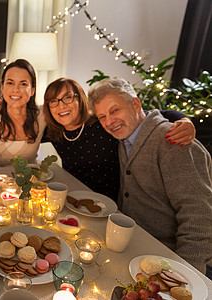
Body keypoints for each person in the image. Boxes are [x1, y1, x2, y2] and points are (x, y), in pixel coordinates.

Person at [89, 77, 212, 273]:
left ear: (135, 104)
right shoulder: (124, 138)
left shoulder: (173, 141)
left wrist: (187, 275)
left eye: (115, 110)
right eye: (102, 116)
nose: (109, 121)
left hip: (168, 258)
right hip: (135, 247)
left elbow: (198, 215)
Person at [42, 77, 194, 200]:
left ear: (80, 99)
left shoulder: (102, 123)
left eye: (67, 98)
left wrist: (184, 120)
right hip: (74, 200)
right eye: (53, 101)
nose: (60, 106)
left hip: (111, 206)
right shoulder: (52, 132)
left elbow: (145, 115)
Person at [0, 59, 45, 166]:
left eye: (23, 84)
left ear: (32, 90)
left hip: (32, 181)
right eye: (10, 83)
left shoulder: (42, 116)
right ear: (2, 87)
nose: (16, 89)